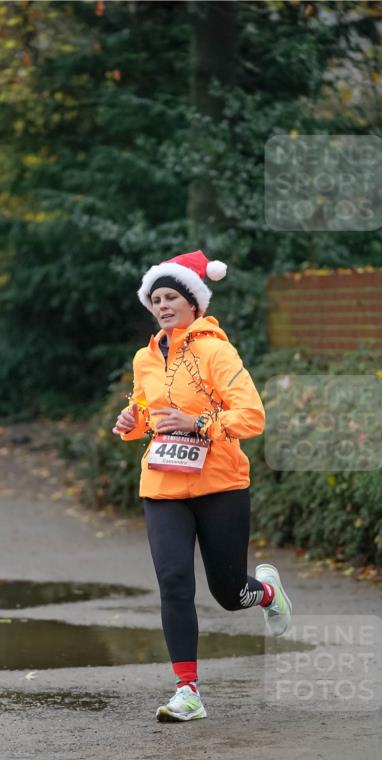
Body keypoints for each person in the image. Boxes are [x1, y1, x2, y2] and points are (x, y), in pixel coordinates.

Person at [113, 250, 292, 723]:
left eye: (172, 296)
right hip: (163, 486)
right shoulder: (145, 357)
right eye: (155, 299)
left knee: (229, 593)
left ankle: (268, 594)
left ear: (194, 302)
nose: (163, 305)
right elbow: (147, 416)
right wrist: (132, 422)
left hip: (220, 484)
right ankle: (187, 691)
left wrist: (199, 423)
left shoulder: (216, 351)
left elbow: (252, 417)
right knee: (173, 583)